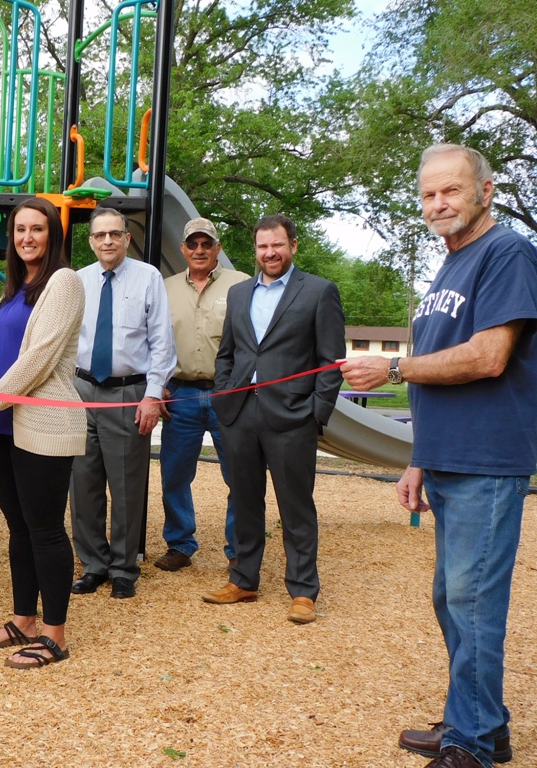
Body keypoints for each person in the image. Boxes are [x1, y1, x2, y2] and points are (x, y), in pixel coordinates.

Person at [342, 144, 536, 768]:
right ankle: (483, 725)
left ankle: (469, 747)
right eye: (428, 194)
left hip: (487, 458)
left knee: (472, 605)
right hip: (448, 457)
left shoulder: (507, 252)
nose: (438, 204)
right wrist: (419, 457)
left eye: (451, 190)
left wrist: (393, 367)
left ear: (485, 191)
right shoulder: (451, 263)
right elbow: (438, 376)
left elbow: (488, 356)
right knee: (452, 601)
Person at [0, 197, 85, 668]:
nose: (27, 237)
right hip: (3, 426)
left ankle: (55, 635)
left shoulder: (63, 282)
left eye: (37, 229)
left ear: (53, 234)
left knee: (45, 530)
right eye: (19, 230)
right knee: (19, 528)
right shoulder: (15, 288)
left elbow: (38, 360)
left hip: (42, 425)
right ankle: (23, 620)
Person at [202, 213, 345, 624]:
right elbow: (228, 353)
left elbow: (331, 361)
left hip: (293, 416)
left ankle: (303, 591)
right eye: (263, 246)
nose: (270, 253)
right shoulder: (239, 293)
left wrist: (315, 413)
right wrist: (223, 395)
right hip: (240, 413)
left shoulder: (318, 291)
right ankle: (243, 580)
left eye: (277, 245)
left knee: (295, 506)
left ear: (293, 246)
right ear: (255, 250)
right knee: (244, 500)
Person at [69, 207, 175, 599]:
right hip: (82, 392)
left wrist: (152, 395)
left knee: (127, 486)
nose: (108, 241)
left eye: (115, 234)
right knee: (83, 485)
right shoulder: (78, 281)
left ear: (127, 239)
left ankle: (123, 569)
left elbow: (162, 341)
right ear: (91, 241)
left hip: (128, 393)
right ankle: (93, 565)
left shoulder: (148, 278)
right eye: (100, 235)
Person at [156, 217, 250, 572]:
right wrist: (158, 384)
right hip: (179, 394)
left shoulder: (241, 284)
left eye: (206, 244)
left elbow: (252, 341)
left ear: (217, 248)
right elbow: (152, 339)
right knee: (174, 475)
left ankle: (239, 550)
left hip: (227, 395)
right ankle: (180, 544)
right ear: (183, 249)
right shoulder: (164, 288)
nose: (199, 250)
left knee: (239, 475)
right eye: (192, 244)